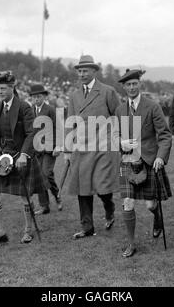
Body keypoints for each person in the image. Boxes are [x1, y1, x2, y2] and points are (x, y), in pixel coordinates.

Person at [0, 71, 46, 248]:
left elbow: (31, 133)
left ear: (12, 88)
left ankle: (28, 229)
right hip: (2, 157)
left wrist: (25, 155)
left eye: (3, 88)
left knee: (25, 197)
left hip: (21, 156)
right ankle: (0, 232)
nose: (0, 92)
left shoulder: (24, 107)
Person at [114, 69, 172, 257]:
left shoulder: (152, 106)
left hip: (148, 160)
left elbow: (164, 135)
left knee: (150, 205)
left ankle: (157, 217)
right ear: (123, 87)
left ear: (140, 85)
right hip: (128, 161)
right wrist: (120, 142)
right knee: (128, 202)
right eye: (128, 85)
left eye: (134, 84)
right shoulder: (120, 110)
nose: (131, 87)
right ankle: (131, 244)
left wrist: (160, 157)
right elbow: (114, 134)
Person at [63, 55, 121, 239]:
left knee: (102, 188)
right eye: (79, 71)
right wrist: (66, 149)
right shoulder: (74, 95)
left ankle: (109, 208)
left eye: (85, 70)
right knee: (83, 188)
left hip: (104, 147)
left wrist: (118, 139)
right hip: (81, 148)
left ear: (94, 71)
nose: (82, 74)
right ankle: (87, 227)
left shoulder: (107, 91)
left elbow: (119, 116)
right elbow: (70, 122)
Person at [29, 83, 63, 214]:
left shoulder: (50, 110)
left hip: (50, 148)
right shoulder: (31, 110)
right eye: (34, 97)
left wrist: (58, 146)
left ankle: (57, 197)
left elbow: (59, 128)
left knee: (45, 173)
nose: (36, 99)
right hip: (36, 149)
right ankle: (45, 206)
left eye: (38, 97)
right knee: (42, 176)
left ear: (44, 97)